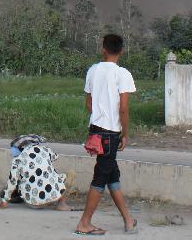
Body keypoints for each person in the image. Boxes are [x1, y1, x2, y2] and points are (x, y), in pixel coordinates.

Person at [75, 34, 137, 236]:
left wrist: (99, 115)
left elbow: (89, 104)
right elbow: (124, 109)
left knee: (111, 175)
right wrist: (125, 134)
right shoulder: (123, 74)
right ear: (121, 51)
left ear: (103, 49)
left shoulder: (92, 71)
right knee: (101, 177)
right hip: (111, 134)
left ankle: (128, 220)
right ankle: (84, 222)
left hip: (95, 130)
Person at [0, 134, 70, 211]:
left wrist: (3, 203)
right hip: (53, 196)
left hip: (32, 203)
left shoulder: (17, 160)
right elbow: (55, 156)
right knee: (67, 175)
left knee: (19, 180)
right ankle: (61, 203)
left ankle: (38, 197)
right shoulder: (45, 149)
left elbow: (12, 182)